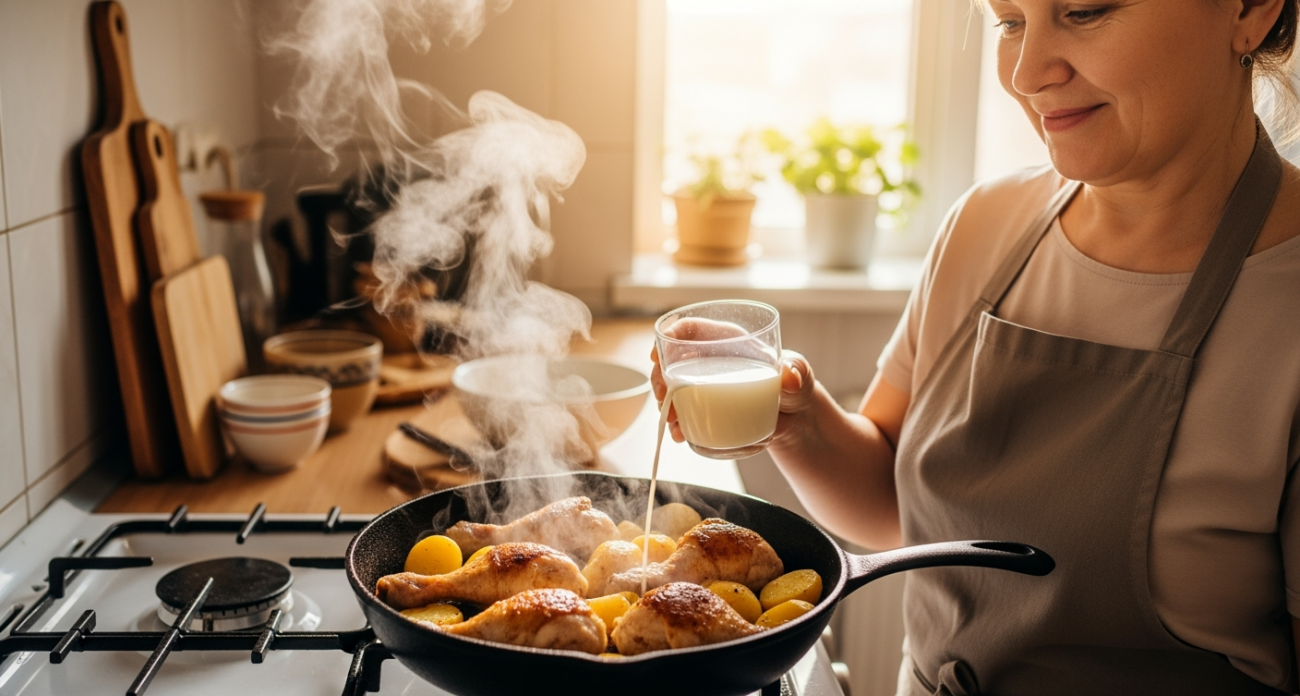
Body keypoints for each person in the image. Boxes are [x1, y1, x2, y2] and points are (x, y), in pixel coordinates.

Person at [651, 0, 1300, 693]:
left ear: (1250, 9)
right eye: (1010, 21)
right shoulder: (986, 225)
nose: (1025, 73)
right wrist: (797, 417)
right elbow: (894, 508)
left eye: (1083, 11)